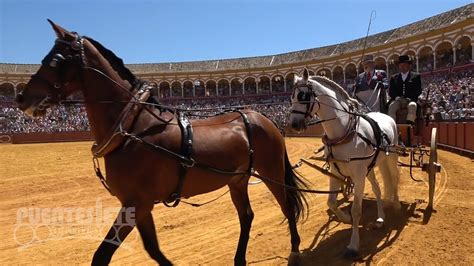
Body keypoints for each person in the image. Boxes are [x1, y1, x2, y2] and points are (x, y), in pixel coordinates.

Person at [388, 55, 422, 124]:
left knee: (413, 106)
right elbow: (391, 91)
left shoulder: (416, 76)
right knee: (392, 107)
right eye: (401, 65)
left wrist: (408, 99)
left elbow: (417, 90)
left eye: (404, 65)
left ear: (409, 66)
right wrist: (398, 98)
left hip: (410, 100)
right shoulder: (394, 77)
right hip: (398, 100)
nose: (402, 67)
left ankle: (409, 125)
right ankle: (392, 125)